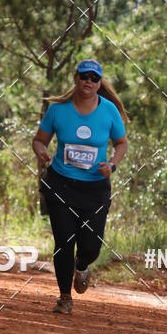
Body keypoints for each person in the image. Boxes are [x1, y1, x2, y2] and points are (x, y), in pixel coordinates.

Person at [32, 59, 128, 314]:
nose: (88, 81)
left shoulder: (108, 111)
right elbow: (39, 140)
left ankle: (82, 265)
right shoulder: (58, 110)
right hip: (61, 184)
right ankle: (64, 297)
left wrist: (112, 165)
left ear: (99, 84)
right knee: (64, 241)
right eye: (83, 76)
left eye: (93, 78)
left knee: (90, 246)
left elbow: (121, 143)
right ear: (75, 78)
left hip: (95, 188)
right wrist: (42, 152)